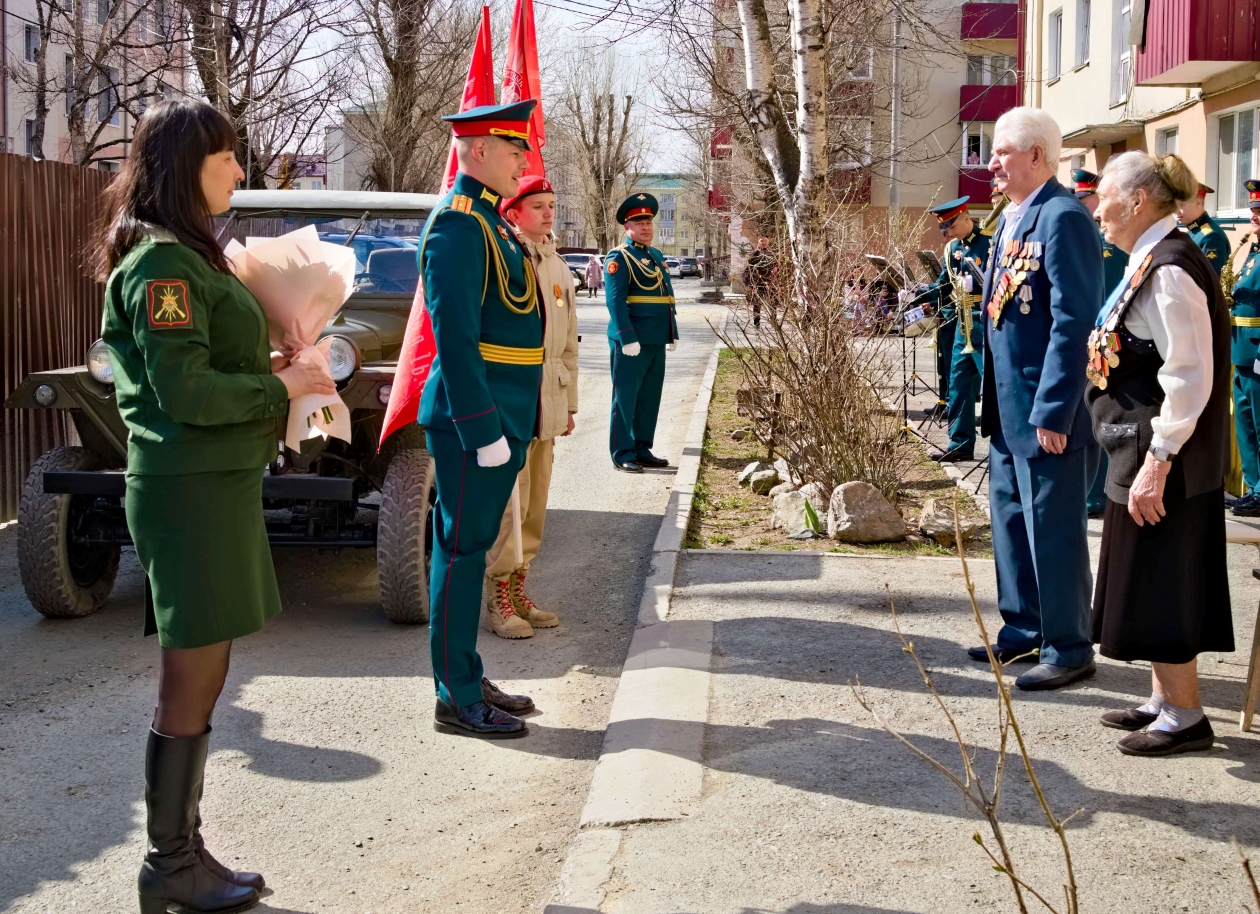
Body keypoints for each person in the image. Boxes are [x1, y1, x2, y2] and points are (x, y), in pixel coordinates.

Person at [95, 100, 335, 914]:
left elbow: (203, 362)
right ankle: (169, 867)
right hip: (189, 488)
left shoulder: (189, 258)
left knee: (206, 668)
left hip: (213, 483)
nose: (239, 169)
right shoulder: (161, 266)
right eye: (228, 156)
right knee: (190, 676)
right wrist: (282, 385)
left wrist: (275, 358)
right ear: (185, 165)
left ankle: (182, 854)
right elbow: (183, 391)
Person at [1087, 152, 1232, 756]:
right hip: (1139, 447)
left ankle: (1187, 716)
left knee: (1166, 579)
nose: (1097, 210)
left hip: (1160, 455)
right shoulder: (1150, 256)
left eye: (1105, 198)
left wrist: (1160, 458)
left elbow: (1190, 373)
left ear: (1138, 200)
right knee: (1144, 577)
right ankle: (1162, 700)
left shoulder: (1169, 266)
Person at [417, 100, 544, 738]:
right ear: (477, 151)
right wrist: (482, 427)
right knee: (461, 555)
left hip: (502, 417)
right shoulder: (459, 225)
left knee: (469, 551)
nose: (524, 158)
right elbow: (456, 340)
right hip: (478, 423)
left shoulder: (490, 222)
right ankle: (455, 695)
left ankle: (463, 670)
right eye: (513, 147)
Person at [972, 107, 1103, 691]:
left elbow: (1073, 322)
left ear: (1036, 157)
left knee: (1052, 528)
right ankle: (1023, 632)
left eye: (1001, 151)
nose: (991, 162)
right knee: (1010, 523)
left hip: (1045, 411)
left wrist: (1055, 409)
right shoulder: (1014, 217)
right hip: (1008, 408)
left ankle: (1070, 645)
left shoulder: (1064, 217)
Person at [482, 175, 579, 638]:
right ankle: (497, 593)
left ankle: (521, 585)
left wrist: (570, 404)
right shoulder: (507, 259)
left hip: (549, 401)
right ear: (513, 213)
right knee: (509, 501)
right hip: (514, 400)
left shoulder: (558, 267)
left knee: (536, 500)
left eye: (551, 205)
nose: (547, 213)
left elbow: (568, 348)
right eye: (536, 205)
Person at [605, 192, 680, 472]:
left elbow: (666, 296)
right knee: (625, 396)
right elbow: (615, 300)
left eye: (648, 221)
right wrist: (626, 337)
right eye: (639, 222)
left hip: (656, 338)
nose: (646, 227)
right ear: (627, 227)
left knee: (649, 396)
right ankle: (622, 452)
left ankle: (641, 447)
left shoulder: (656, 255)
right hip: (632, 340)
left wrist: (671, 333)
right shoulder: (619, 256)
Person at [1073, 168, 1130, 516]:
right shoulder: (1086, 237)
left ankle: (1100, 495)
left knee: (1105, 416)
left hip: (1113, 341)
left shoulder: (1116, 244)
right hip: (1088, 339)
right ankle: (1090, 492)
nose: (1085, 207)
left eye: (1088, 199)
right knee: (1088, 414)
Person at [923, 197, 991, 461]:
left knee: (992, 387)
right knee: (958, 384)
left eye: (950, 227)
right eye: (944, 229)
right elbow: (944, 285)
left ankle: (1004, 447)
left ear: (965, 216)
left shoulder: (990, 243)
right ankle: (960, 443)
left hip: (986, 323)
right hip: (963, 326)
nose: (947, 233)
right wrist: (917, 296)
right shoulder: (953, 249)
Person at [1230, 180, 1260, 516]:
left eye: (1259, 212)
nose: (1254, 217)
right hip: (1241, 350)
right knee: (1246, 424)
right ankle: (1254, 488)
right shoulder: (1252, 252)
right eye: (1253, 211)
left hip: (1257, 354)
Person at [1178, 182, 1231, 277]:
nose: (1176, 211)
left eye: (1181, 205)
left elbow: (1210, 282)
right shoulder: (1195, 230)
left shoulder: (1211, 237)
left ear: (1199, 203)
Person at [744, 236, 775, 327]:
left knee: (772, 302)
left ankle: (774, 321)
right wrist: (757, 251)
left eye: (765, 241)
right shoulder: (755, 253)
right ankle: (756, 322)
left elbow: (776, 264)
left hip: (769, 281)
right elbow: (750, 263)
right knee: (757, 303)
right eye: (762, 241)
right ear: (758, 242)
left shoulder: (771, 254)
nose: (763, 243)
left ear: (768, 242)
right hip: (758, 282)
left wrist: (776, 270)